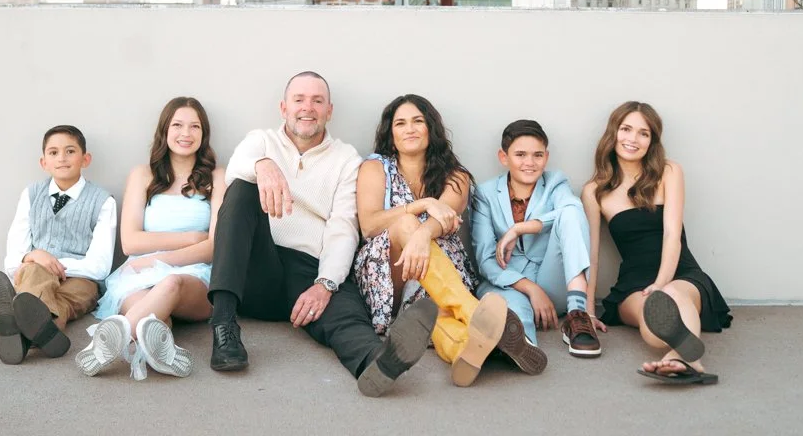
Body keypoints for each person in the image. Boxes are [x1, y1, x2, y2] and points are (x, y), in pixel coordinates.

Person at [206, 72, 438, 397]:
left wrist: (325, 284)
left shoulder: (346, 159)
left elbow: (343, 227)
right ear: (284, 107)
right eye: (299, 100)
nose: (308, 108)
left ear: (329, 110)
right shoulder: (260, 141)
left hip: (309, 270)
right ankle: (224, 326)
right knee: (241, 190)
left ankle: (377, 361)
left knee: (346, 311)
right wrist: (262, 165)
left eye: (317, 101)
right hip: (261, 269)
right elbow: (236, 169)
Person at [354, 96, 547, 387]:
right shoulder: (375, 168)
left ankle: (464, 352)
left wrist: (420, 234)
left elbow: (443, 218)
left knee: (436, 318)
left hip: (434, 288)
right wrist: (421, 206)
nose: (410, 129)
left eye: (418, 121)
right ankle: (475, 314)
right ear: (391, 135)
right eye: (401, 123)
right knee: (404, 223)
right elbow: (369, 225)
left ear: (431, 129)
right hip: (387, 276)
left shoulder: (455, 176)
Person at [582, 101, 732, 385]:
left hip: (680, 273)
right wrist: (587, 310)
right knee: (651, 325)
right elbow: (592, 254)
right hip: (632, 283)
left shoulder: (669, 172)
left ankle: (685, 359)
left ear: (652, 141)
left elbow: (672, 234)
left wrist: (661, 283)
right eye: (626, 129)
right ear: (613, 133)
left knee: (670, 296)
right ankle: (681, 355)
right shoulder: (594, 191)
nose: (633, 139)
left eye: (643, 133)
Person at [76, 97, 225, 380]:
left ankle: (105, 346)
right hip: (137, 274)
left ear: (204, 134)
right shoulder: (142, 174)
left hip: (192, 275)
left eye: (195, 127)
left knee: (170, 283)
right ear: (164, 130)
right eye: (178, 125)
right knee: (154, 322)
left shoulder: (217, 176)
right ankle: (162, 352)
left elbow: (213, 247)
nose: (186, 133)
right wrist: (190, 237)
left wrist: (157, 259)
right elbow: (130, 242)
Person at [0, 125, 117, 364]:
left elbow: (99, 267)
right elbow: (13, 258)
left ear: (85, 159)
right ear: (43, 162)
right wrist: (33, 258)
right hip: (33, 273)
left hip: (82, 281)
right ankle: (42, 332)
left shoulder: (103, 201)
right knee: (41, 283)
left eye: (70, 151)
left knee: (56, 293)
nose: (62, 158)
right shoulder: (32, 194)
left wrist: (49, 262)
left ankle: (17, 327)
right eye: (53, 153)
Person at [472, 119, 601, 358]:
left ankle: (577, 316)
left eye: (537, 155)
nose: (530, 163)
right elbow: (485, 259)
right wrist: (530, 289)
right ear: (504, 157)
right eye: (520, 154)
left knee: (572, 211)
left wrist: (521, 228)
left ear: (546, 157)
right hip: (509, 283)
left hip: (554, 282)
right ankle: (520, 349)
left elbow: (571, 210)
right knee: (514, 313)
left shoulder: (556, 182)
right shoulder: (485, 194)